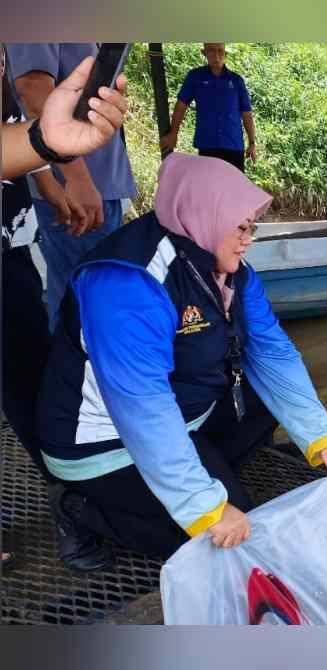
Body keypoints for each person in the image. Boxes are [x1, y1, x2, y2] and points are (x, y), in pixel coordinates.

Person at [35, 153, 327, 564]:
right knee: (215, 547)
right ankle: (79, 509)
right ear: (203, 214)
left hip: (186, 415)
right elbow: (142, 404)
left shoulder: (228, 268)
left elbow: (272, 351)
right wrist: (204, 506)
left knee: (260, 401)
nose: (248, 239)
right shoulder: (126, 282)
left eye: (251, 227)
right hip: (104, 442)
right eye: (240, 227)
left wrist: (322, 436)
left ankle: (199, 475)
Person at [1, 51, 130, 572]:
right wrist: (69, 172)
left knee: (28, 369)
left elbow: (17, 123)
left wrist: (43, 145)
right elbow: (33, 86)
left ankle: (73, 492)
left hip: (8, 233)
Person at [6, 43, 139, 331]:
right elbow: (32, 88)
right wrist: (76, 177)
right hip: (76, 190)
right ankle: (73, 374)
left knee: (92, 297)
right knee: (83, 305)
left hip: (100, 184)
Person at [159, 43, 257, 172]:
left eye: (220, 51)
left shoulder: (236, 81)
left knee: (233, 190)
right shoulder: (195, 77)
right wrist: (173, 133)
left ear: (225, 54)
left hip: (234, 147)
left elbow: (247, 114)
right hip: (207, 147)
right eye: (211, 50)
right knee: (208, 190)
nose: (216, 55)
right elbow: (181, 106)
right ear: (204, 52)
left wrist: (252, 143)